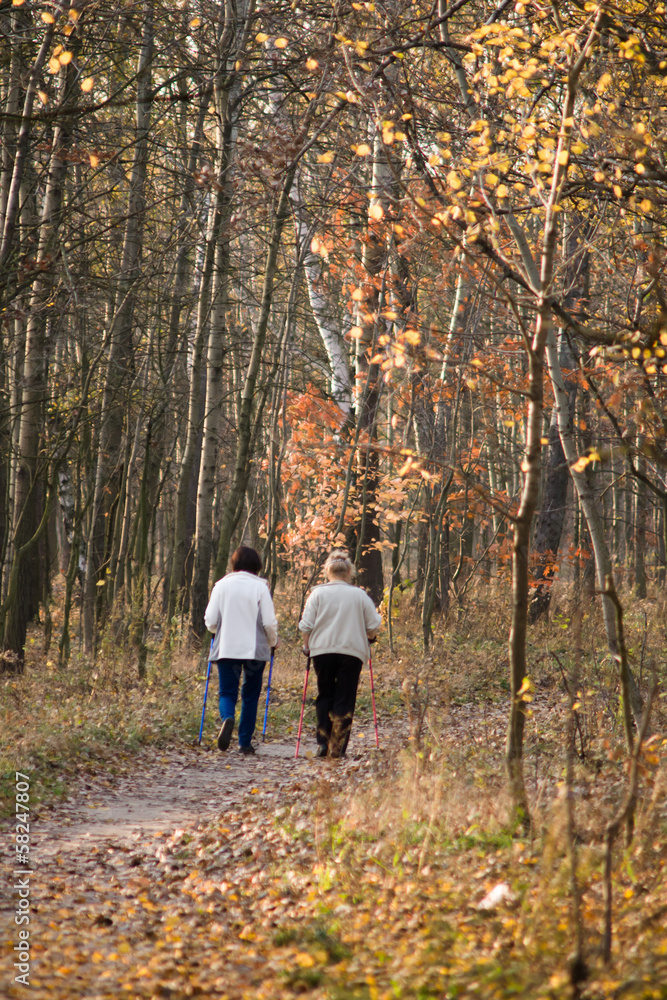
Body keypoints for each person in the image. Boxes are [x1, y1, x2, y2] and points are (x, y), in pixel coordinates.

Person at [298, 549, 381, 759]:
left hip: (322, 651)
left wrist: (307, 647)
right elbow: (373, 625)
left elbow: (306, 626)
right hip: (352, 652)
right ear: (349, 572)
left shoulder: (317, 594)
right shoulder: (359, 595)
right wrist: (370, 638)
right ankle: (338, 745)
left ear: (328, 572)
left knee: (325, 694)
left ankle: (323, 743)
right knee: (345, 696)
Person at [204, 545, 278, 755]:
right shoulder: (261, 587)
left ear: (234, 564)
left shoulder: (221, 586)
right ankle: (244, 742)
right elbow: (269, 622)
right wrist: (272, 642)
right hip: (255, 651)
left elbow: (210, 619)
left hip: (227, 648)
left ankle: (228, 717)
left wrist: (216, 630)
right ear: (256, 566)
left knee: (227, 692)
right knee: (250, 694)